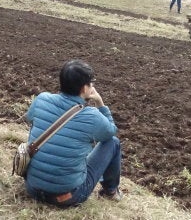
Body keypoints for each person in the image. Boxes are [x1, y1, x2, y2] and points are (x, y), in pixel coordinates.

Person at [24, 60, 122, 207]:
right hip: (67, 196)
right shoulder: (92, 116)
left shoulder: (42, 99)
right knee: (113, 142)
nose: (92, 86)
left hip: (32, 188)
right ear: (84, 88)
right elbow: (111, 131)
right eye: (91, 83)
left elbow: (30, 118)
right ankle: (111, 192)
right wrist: (100, 103)